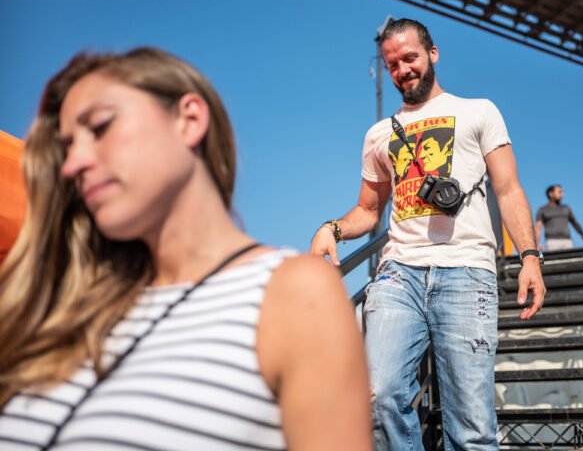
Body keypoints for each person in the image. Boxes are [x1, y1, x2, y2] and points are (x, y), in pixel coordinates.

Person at [0, 48, 372, 451]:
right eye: (68, 146)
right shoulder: (56, 306)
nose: (74, 163)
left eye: (100, 126)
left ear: (189, 120)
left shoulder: (292, 294)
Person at [310, 18, 545, 450]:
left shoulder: (479, 111)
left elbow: (508, 189)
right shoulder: (378, 135)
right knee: (379, 399)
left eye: (410, 58)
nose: (402, 70)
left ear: (432, 54)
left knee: (471, 427)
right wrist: (333, 229)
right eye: (392, 63)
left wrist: (530, 256)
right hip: (399, 273)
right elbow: (367, 209)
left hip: (467, 272)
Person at [535, 184, 583, 251]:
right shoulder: (542, 210)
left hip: (567, 241)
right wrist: (536, 243)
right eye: (559, 192)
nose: (562, 194)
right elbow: (538, 227)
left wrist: (582, 234)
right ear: (550, 194)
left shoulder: (566, 208)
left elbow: (574, 223)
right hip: (551, 242)